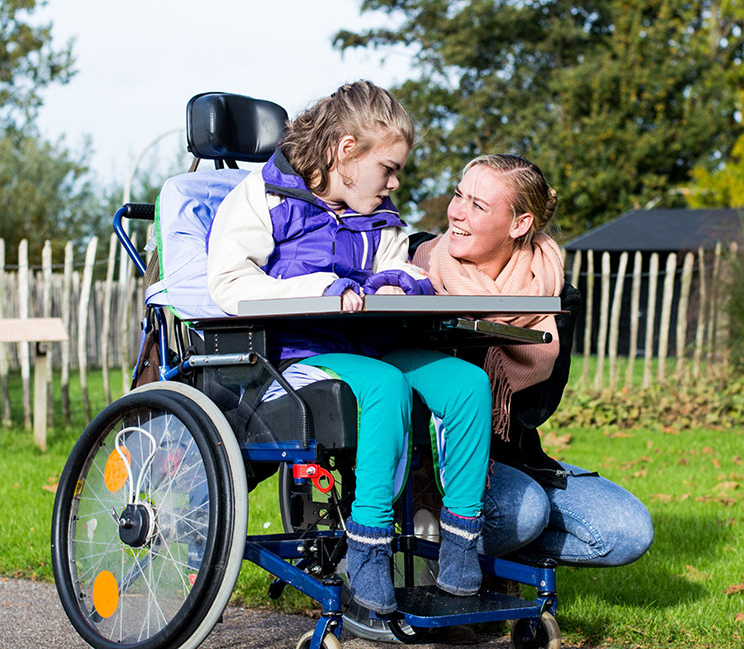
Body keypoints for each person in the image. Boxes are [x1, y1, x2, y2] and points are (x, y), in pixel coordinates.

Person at [206, 81, 493, 614]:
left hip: (373, 344)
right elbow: (227, 286)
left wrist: (399, 283)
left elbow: (399, 265)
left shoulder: (378, 210)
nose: (395, 182)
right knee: (382, 386)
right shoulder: (264, 198)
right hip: (295, 354)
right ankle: (367, 551)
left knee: (467, 385)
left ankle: (459, 547)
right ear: (345, 152)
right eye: (388, 168)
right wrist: (323, 288)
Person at [412, 154, 653, 568]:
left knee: (626, 532)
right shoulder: (417, 269)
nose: (457, 212)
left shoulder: (554, 295)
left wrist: (498, 327)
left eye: (478, 205)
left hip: (508, 456)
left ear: (519, 224)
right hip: (424, 460)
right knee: (524, 513)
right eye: (458, 195)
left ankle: (472, 554)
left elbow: (534, 409)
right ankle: (419, 547)